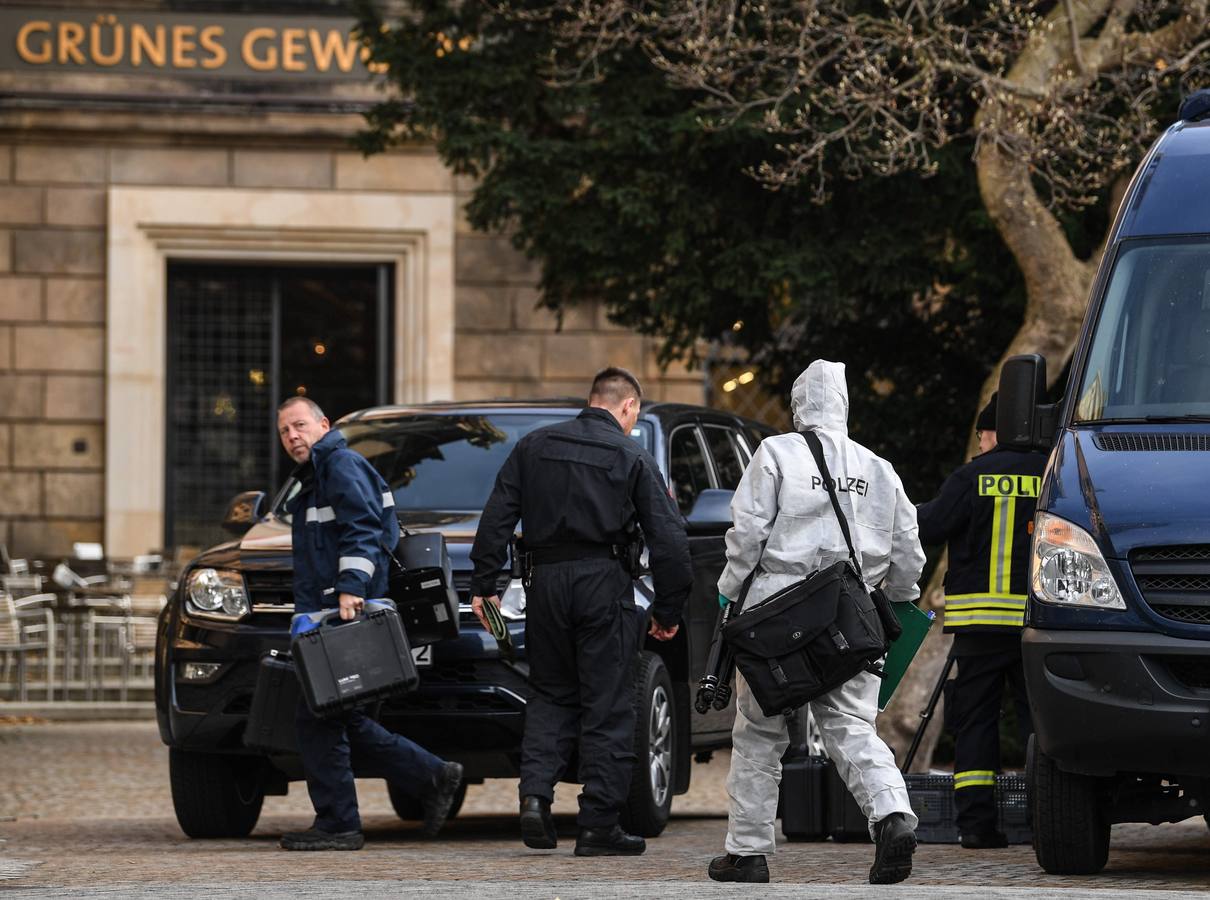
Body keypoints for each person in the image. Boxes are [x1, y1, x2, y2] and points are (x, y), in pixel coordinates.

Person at [710, 360, 926, 885]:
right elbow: (909, 555)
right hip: (850, 616)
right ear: (846, 406)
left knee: (760, 733)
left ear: (799, 405)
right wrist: (896, 601)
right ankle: (893, 816)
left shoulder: (776, 454)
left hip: (776, 614)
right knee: (853, 728)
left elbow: (746, 536)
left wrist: (729, 592)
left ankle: (748, 852)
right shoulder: (879, 468)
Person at [469, 367, 693, 857]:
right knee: (609, 704)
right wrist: (668, 606)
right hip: (603, 582)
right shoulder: (630, 453)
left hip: (544, 584)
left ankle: (534, 798)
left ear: (592, 399)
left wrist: (485, 584)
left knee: (550, 694)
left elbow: (498, 516)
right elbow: (670, 539)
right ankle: (597, 827)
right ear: (628, 406)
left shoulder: (534, 446)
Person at [275, 396, 463, 851]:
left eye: (299, 425)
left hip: (343, 613)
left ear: (323, 424)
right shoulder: (318, 473)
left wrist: (351, 587)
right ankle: (434, 775)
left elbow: (363, 528)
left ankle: (341, 823)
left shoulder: (338, 465)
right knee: (339, 719)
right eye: (284, 431)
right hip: (330, 613)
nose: (292, 436)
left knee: (320, 718)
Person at [917, 392, 1044, 849]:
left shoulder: (971, 476)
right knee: (1041, 722)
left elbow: (927, 528)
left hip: (978, 626)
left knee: (975, 723)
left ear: (993, 431)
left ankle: (976, 826)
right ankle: (1044, 820)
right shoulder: (1053, 471)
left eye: (982, 433)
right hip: (1037, 625)